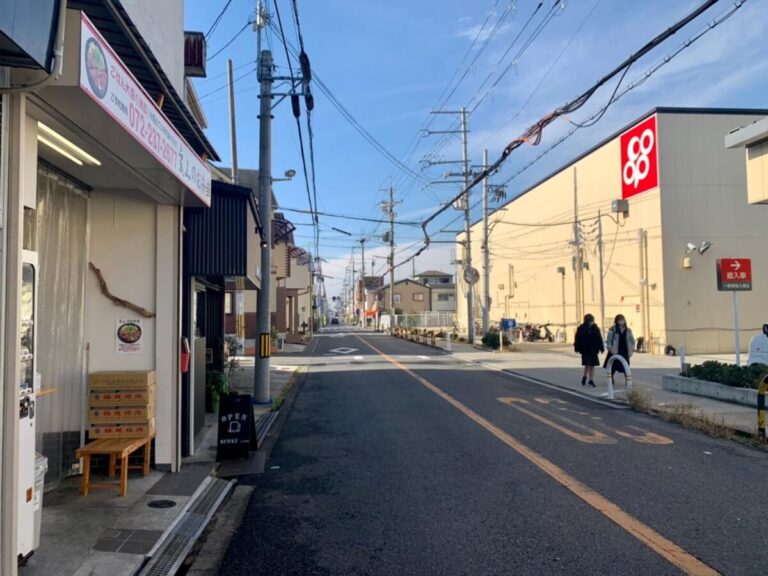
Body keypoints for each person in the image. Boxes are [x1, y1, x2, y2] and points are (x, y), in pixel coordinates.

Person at [574, 314, 604, 387]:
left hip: (594, 349)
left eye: (592, 321)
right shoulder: (581, 328)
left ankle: (591, 379)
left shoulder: (595, 328)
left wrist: (601, 347)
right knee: (587, 364)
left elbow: (599, 338)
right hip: (585, 349)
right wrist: (577, 347)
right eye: (590, 321)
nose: (591, 322)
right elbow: (578, 338)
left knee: (592, 365)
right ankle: (584, 376)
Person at [605, 314, 636, 385]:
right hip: (615, 350)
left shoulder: (628, 330)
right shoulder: (613, 329)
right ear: (616, 321)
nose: (621, 321)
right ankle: (611, 378)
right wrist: (609, 348)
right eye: (619, 320)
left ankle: (627, 380)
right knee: (613, 365)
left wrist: (632, 348)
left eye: (622, 319)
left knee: (626, 365)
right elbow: (609, 340)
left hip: (624, 350)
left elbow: (632, 340)